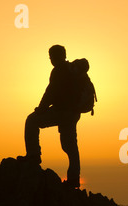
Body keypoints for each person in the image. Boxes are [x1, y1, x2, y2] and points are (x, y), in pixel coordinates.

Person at [18, 45, 81, 188]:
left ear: (56, 56)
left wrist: (41, 109)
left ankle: (33, 156)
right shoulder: (72, 70)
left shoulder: (59, 71)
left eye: (51, 56)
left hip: (62, 112)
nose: (50, 59)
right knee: (70, 146)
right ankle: (73, 179)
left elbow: (50, 93)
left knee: (32, 121)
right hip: (73, 113)